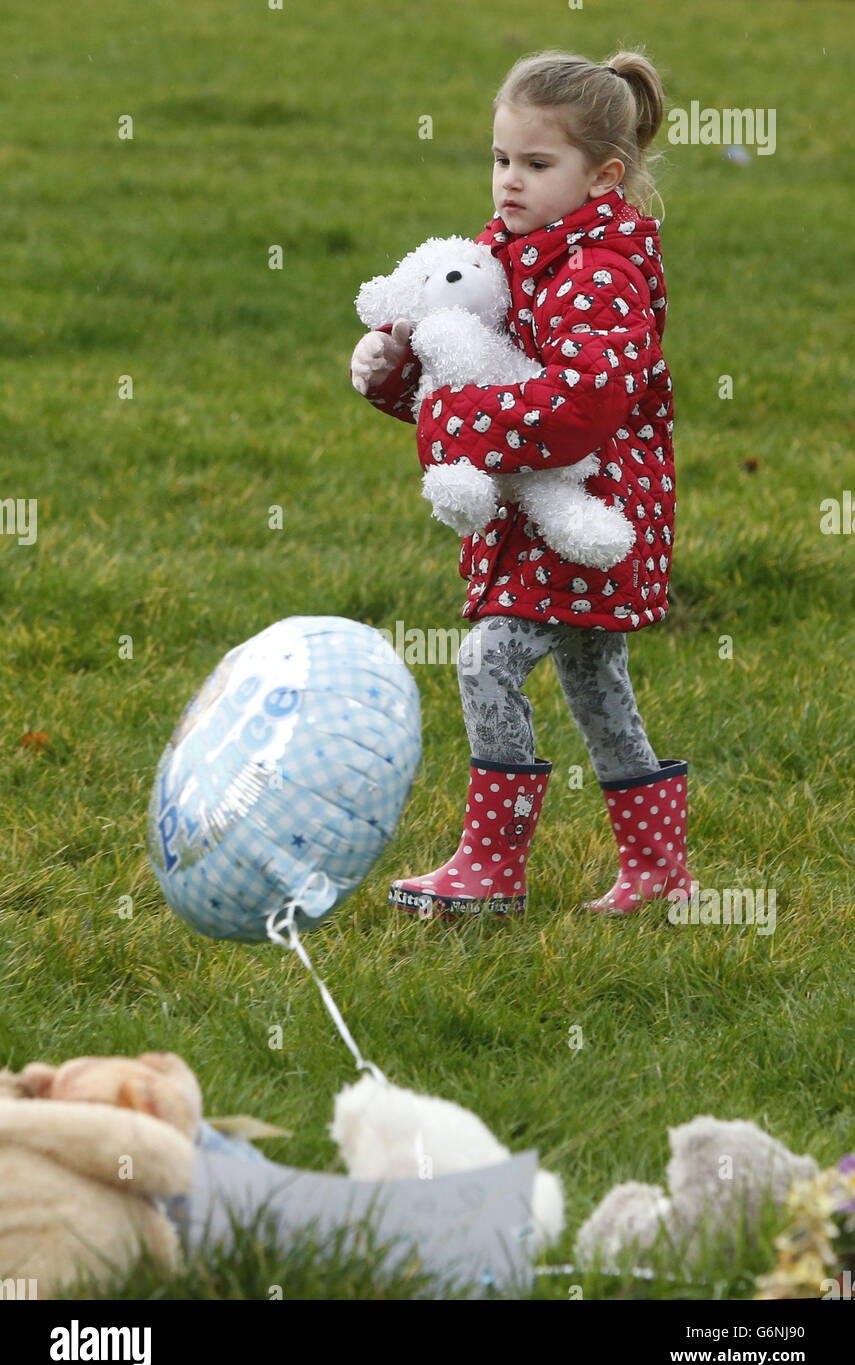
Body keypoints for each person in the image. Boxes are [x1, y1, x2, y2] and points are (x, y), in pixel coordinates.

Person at [351, 49, 696, 918]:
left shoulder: (601, 273)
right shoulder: (510, 255)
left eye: (537, 165)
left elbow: (578, 407)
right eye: (501, 159)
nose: (509, 182)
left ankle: (491, 867)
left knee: (486, 661)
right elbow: (481, 367)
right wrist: (398, 374)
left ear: (601, 176)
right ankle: (658, 873)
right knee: (594, 682)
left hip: (596, 510)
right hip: (537, 512)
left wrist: (451, 426)